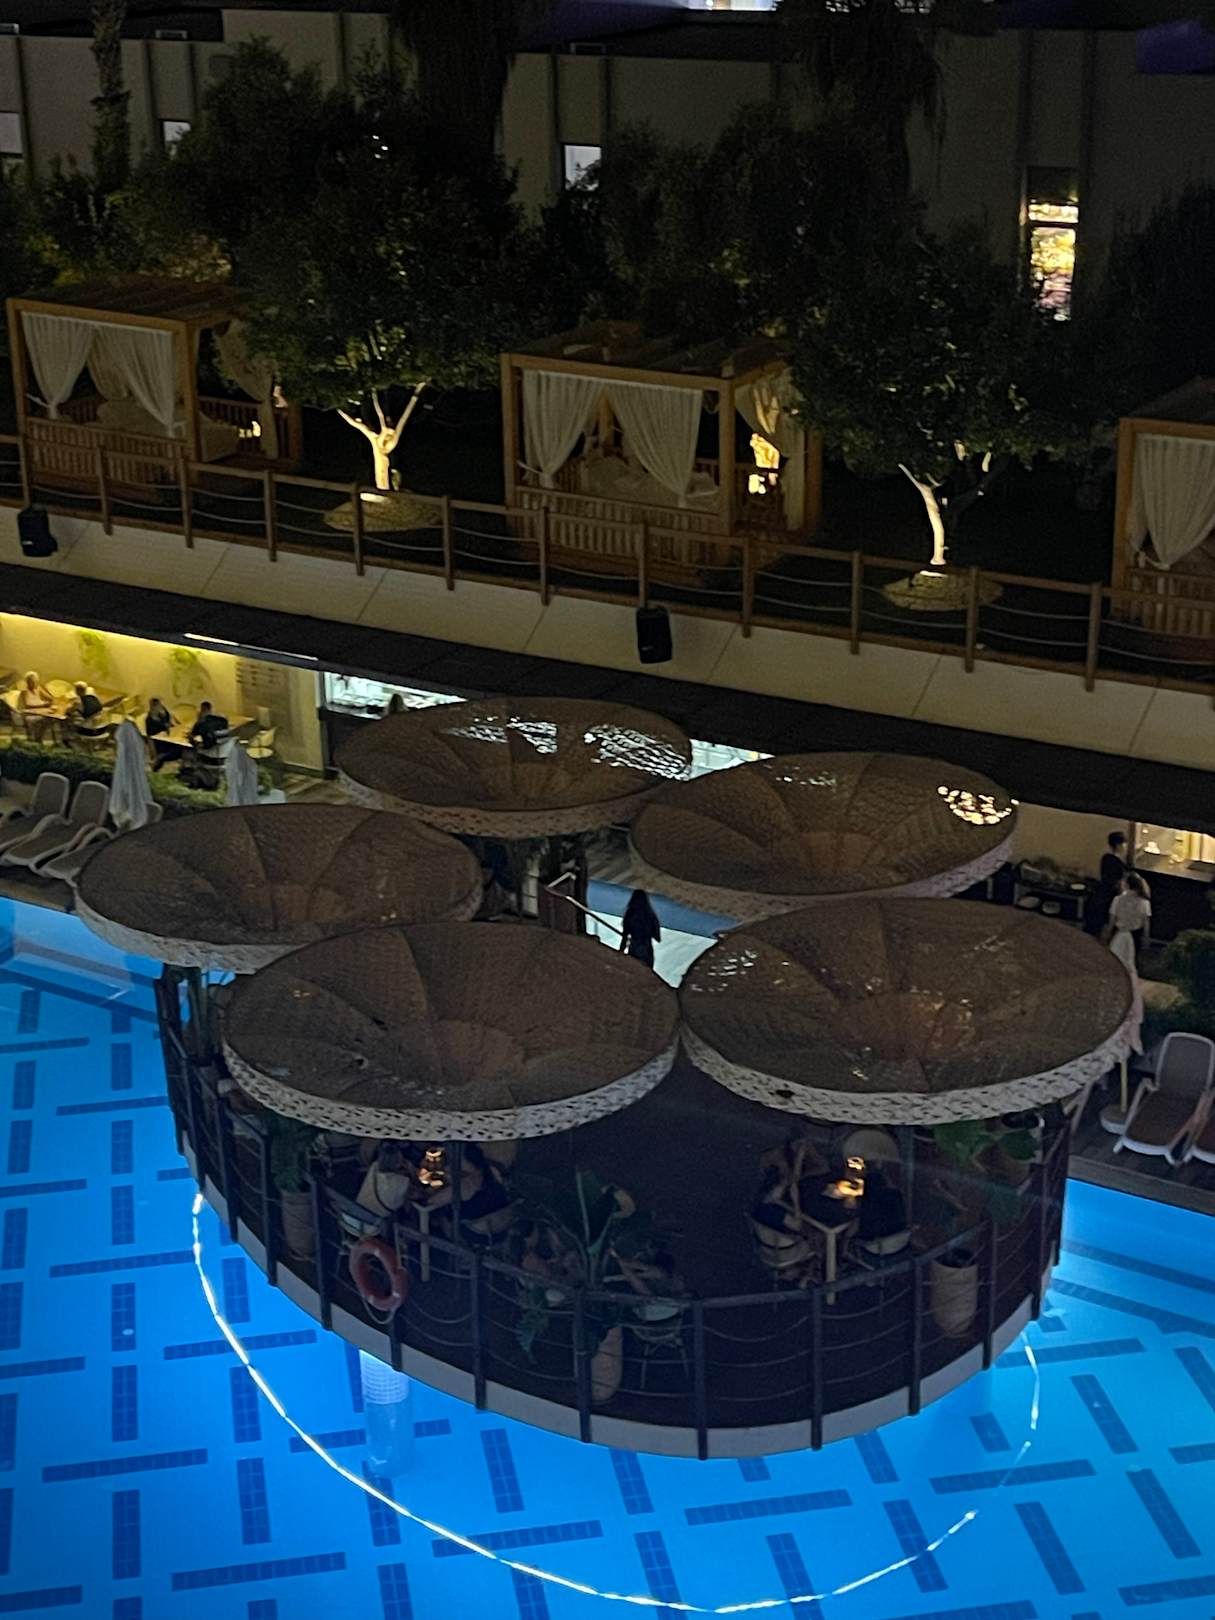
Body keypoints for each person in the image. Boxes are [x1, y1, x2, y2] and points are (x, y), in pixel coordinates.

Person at [1084, 831, 1129, 938]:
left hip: (1101, 892)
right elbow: (1119, 883)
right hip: (1110, 896)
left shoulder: (1106, 858)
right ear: (1119, 845)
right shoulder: (1119, 863)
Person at [1107, 871, 1151, 975]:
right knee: (1131, 962)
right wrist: (1146, 937)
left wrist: (1108, 933)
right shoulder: (1144, 903)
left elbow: (1112, 920)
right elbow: (1146, 923)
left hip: (1118, 932)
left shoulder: (1118, 900)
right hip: (1136, 935)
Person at [619, 889, 662, 968]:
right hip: (647, 950)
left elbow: (625, 935)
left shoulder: (630, 913)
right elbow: (658, 938)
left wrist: (621, 951)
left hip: (634, 948)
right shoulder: (651, 915)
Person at [16, 671, 55, 741]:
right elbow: (28, 704)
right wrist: (43, 704)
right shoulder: (25, 691)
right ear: (28, 682)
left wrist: (49, 695)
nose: (35, 684)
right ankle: (37, 738)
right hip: (29, 713)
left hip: (39, 711)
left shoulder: (38, 688)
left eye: (36, 682)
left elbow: (50, 698)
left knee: (52, 718)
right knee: (44, 719)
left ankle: (39, 738)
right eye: (32, 682)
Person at [144, 697, 180, 772]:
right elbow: (150, 738)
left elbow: (168, 721)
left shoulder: (162, 712)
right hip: (160, 743)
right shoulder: (150, 719)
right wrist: (153, 755)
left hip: (167, 740)